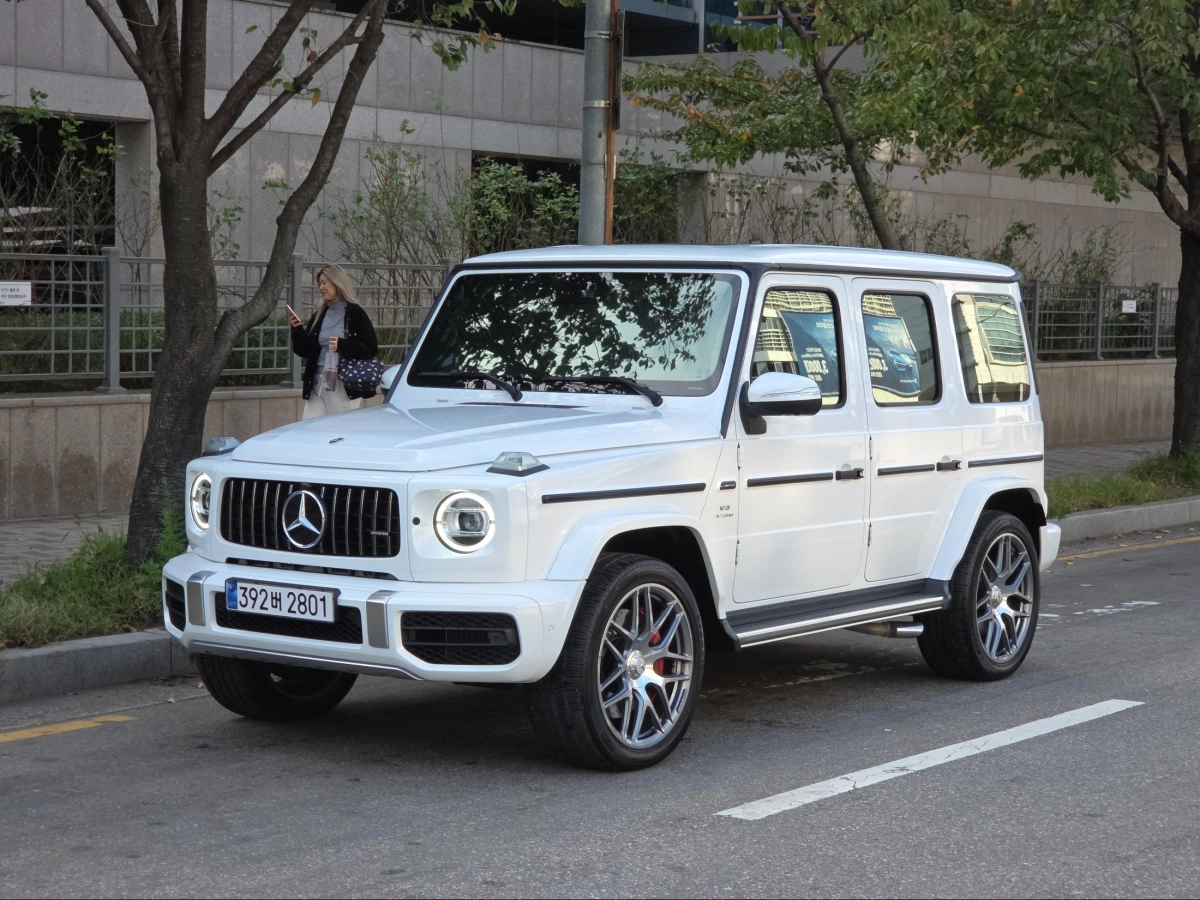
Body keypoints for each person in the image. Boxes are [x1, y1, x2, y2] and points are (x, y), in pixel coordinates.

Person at [288, 265, 379, 420]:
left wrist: (342, 346)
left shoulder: (355, 313)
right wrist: (297, 330)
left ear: (337, 283)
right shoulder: (319, 315)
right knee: (309, 428)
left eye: (325, 283)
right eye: (319, 284)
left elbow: (371, 348)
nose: (321, 287)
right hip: (318, 383)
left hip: (343, 384)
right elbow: (305, 351)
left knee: (340, 431)